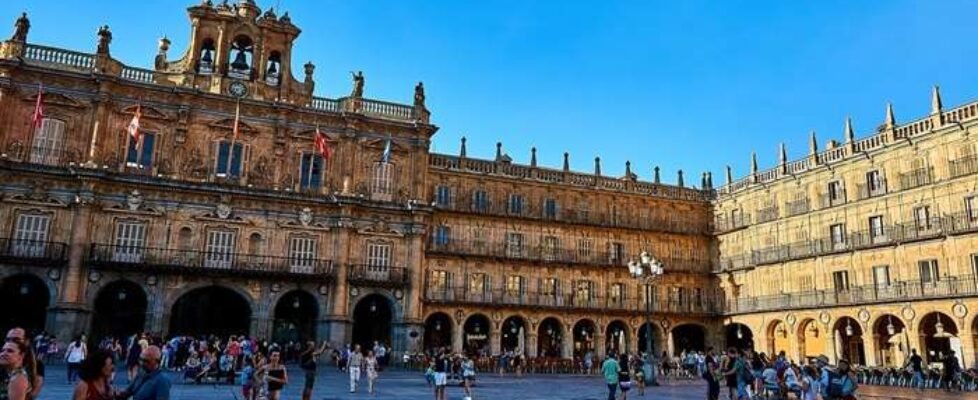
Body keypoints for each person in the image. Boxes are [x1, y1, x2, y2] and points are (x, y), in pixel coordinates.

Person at [6, 328, 43, 400]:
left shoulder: (36, 363)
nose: (11, 342)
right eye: (8, 339)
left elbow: (34, 392)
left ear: (27, 341)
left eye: (16, 340)